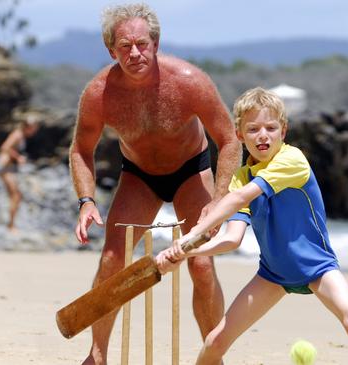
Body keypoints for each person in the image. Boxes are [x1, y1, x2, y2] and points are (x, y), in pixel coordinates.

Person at [156, 87, 348, 365]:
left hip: (317, 267)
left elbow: (242, 197)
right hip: (272, 274)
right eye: (252, 129)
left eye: (270, 127)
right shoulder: (240, 177)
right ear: (240, 135)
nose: (262, 135)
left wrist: (190, 236)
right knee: (215, 341)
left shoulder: (292, 160)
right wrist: (186, 252)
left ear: (283, 131)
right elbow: (232, 240)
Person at [68, 3, 241, 364]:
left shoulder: (189, 81)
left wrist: (220, 200)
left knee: (201, 264)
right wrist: (86, 201)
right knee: (113, 259)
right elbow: (81, 150)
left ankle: (214, 357)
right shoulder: (99, 94)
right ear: (111, 50)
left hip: (190, 172)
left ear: (156, 43)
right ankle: (96, 355)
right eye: (125, 46)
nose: (134, 53)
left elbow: (229, 139)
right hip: (139, 175)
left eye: (142, 44)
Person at [0, 115, 40, 232]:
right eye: (33, 128)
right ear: (28, 127)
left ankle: (11, 224)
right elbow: (5, 147)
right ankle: (11, 226)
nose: (34, 131)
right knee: (16, 196)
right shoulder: (17, 134)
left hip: (10, 169)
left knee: (15, 196)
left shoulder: (21, 135)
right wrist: (18, 158)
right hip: (6, 169)